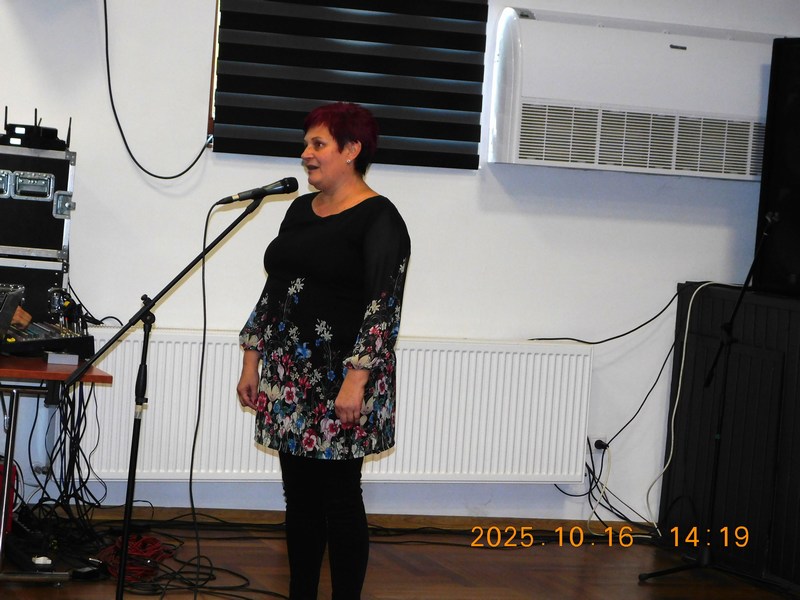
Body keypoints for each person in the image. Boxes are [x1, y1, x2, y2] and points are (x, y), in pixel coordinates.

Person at [236, 101, 411, 599]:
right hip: (289, 379)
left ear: (351, 150)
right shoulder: (298, 210)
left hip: (342, 380)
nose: (306, 154)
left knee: (339, 501)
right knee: (299, 501)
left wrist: (356, 380)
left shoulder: (380, 218)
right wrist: (252, 359)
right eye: (306, 144)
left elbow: (384, 307)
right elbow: (274, 291)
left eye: (318, 144)